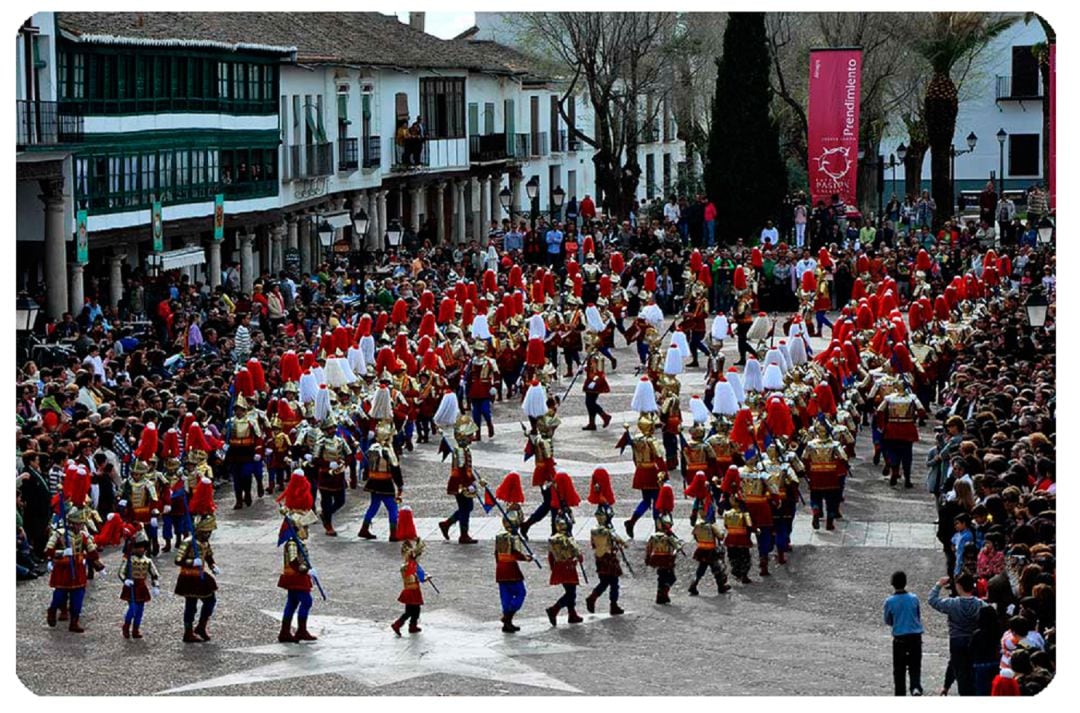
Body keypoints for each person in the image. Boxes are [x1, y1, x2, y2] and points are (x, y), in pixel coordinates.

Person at [928, 573, 984, 696]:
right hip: (974, 640)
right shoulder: (980, 604)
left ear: (958, 586)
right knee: (972, 672)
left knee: (960, 672)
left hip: (957, 640)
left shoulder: (952, 603)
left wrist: (938, 585)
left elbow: (932, 600)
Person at [391, 507, 431, 636]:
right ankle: (398, 624)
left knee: (415, 611)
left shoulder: (408, 563)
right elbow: (420, 577)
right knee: (410, 611)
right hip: (412, 591)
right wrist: (427, 577)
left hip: (412, 589)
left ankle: (412, 626)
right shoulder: (411, 565)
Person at [883, 571, 924, 696]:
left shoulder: (890, 601)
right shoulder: (914, 598)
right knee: (915, 666)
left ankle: (900, 693)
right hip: (915, 637)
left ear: (892, 584)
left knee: (899, 670)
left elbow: (888, 620)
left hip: (900, 638)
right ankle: (915, 686)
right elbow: (917, 615)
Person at [118, 529, 160, 640]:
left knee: (140, 611)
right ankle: (126, 626)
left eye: (143, 547)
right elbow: (121, 572)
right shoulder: (129, 560)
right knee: (133, 608)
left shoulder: (148, 561)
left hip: (141, 587)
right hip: (131, 586)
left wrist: (155, 585)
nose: (141, 549)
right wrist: (125, 580)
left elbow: (154, 574)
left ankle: (136, 629)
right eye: (138, 547)